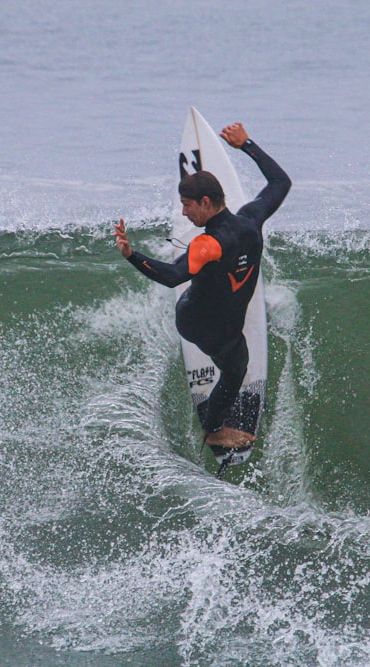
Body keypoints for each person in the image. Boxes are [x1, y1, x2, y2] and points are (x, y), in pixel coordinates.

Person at [113, 121, 291, 460]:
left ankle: (213, 428)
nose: (183, 212)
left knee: (236, 365)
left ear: (206, 202)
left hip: (202, 316)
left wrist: (131, 254)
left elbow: (171, 276)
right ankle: (215, 429)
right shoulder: (252, 219)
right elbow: (280, 182)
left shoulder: (206, 244)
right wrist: (246, 144)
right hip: (201, 324)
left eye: (187, 205)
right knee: (236, 365)